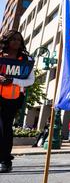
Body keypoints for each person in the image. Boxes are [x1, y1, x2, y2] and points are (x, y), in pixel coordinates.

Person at [0, 30, 35, 173]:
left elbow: (30, 81)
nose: (16, 42)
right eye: (13, 39)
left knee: (5, 128)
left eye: (18, 40)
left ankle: (5, 161)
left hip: (13, 99)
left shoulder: (25, 60)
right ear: (6, 40)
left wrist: (13, 80)